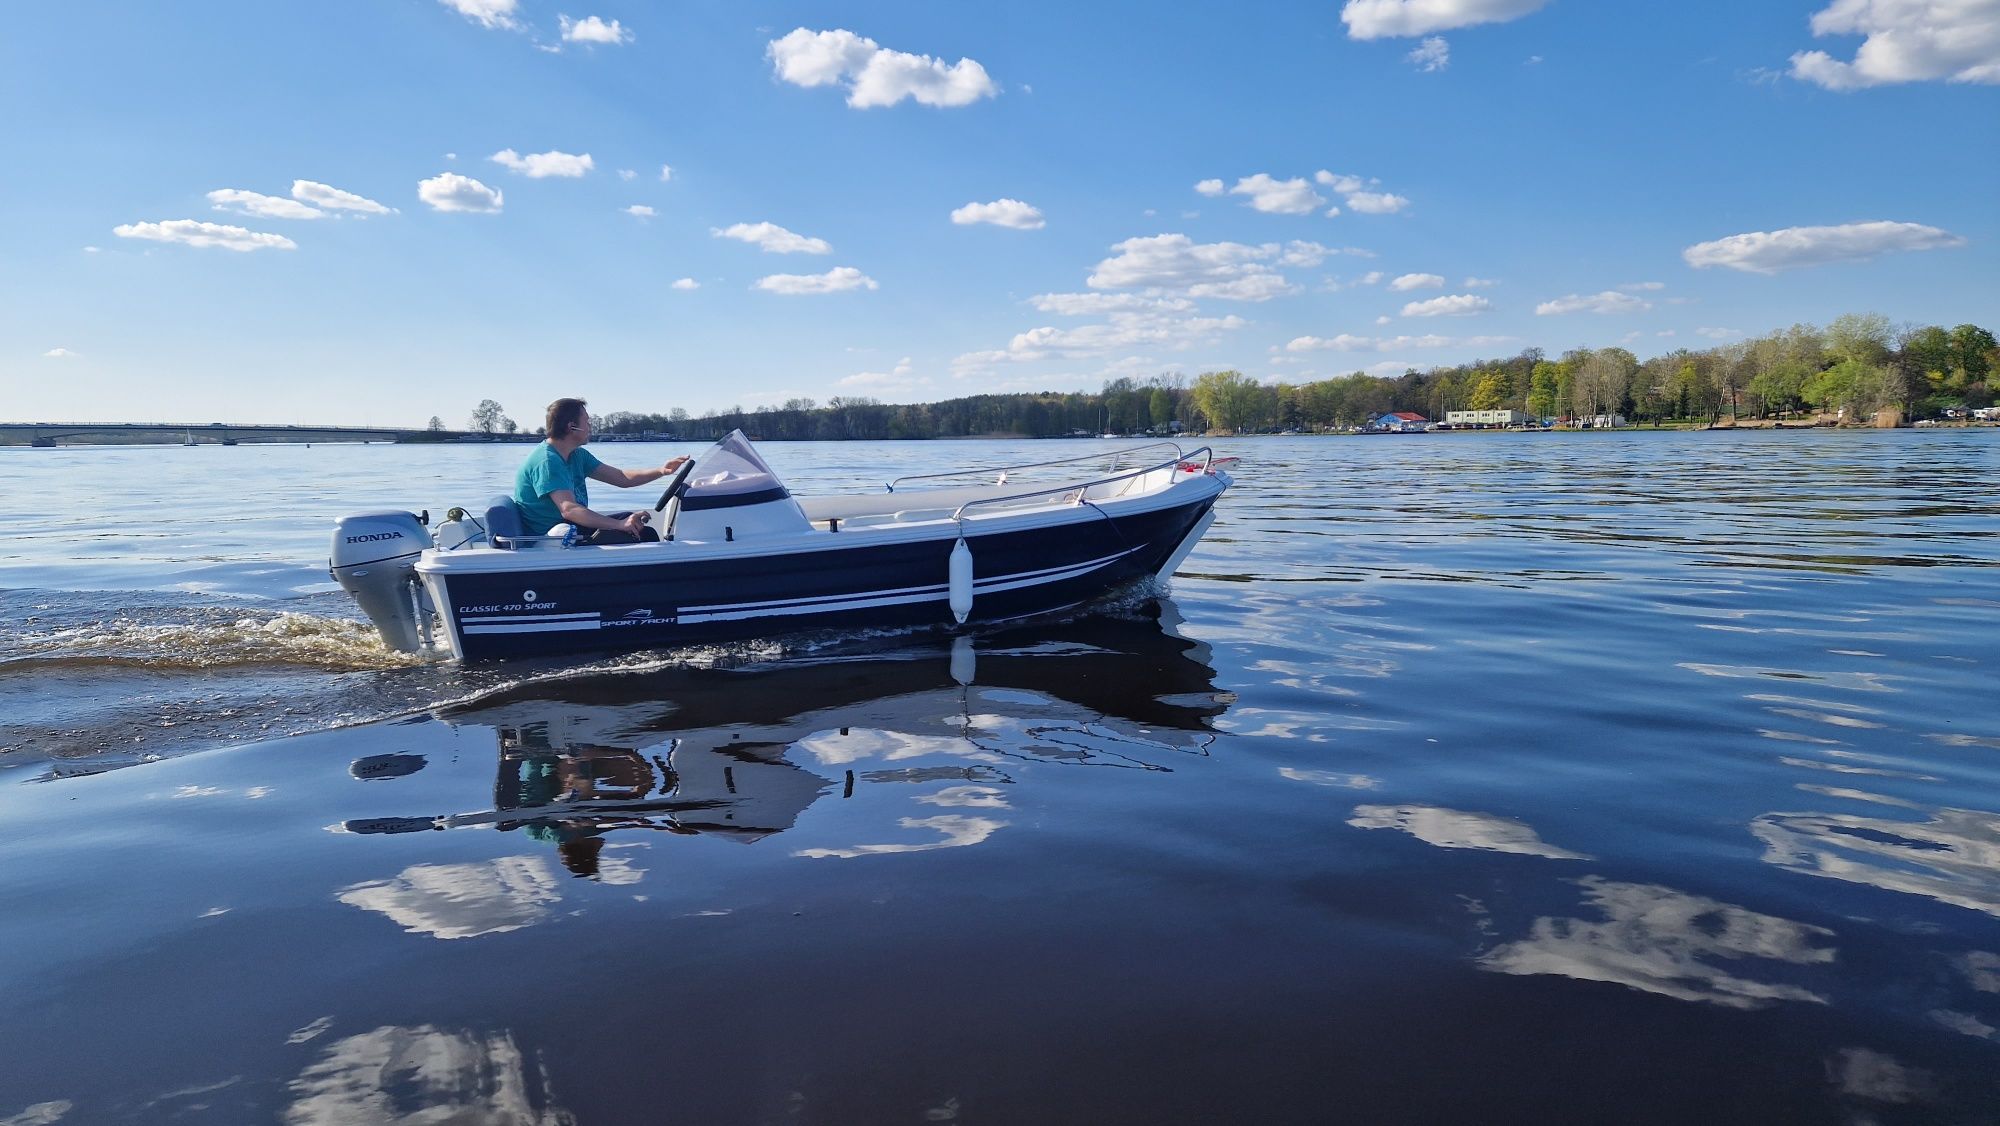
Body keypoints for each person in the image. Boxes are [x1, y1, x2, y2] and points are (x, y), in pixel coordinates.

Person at [513, 398, 688, 544]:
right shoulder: (547, 461)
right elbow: (569, 509)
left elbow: (621, 478)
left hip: (571, 526)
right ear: (571, 427)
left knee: (634, 525)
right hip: (551, 538)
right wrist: (619, 525)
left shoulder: (576, 455)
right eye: (587, 422)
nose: (590, 427)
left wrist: (661, 470)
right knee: (639, 533)